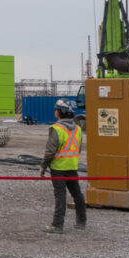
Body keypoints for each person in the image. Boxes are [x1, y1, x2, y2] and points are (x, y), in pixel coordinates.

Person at [40, 99, 87, 233]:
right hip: (72, 166)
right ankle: (82, 221)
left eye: (56, 109)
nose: (55, 111)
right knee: (77, 194)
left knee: (60, 195)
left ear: (60, 112)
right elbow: (78, 148)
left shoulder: (56, 128)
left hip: (58, 168)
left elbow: (50, 151)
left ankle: (57, 225)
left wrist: (43, 167)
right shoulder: (77, 128)